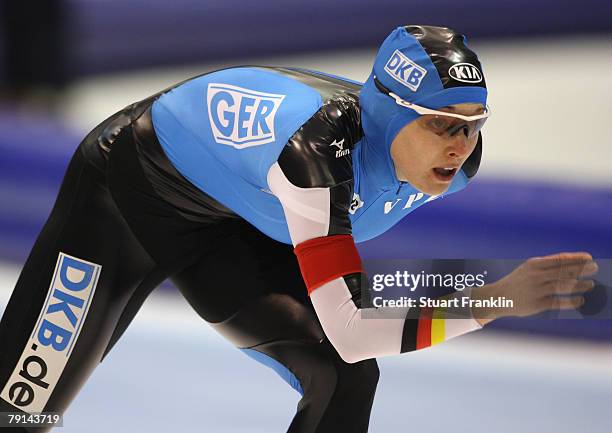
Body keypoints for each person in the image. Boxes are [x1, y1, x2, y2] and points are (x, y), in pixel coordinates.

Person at [0, 25, 596, 433]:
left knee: (343, 379)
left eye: (473, 124)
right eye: (443, 124)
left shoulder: (457, 162)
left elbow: (352, 332)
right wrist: (494, 299)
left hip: (241, 215)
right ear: (389, 114)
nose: (461, 146)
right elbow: (355, 327)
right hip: (127, 194)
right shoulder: (316, 160)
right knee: (21, 411)